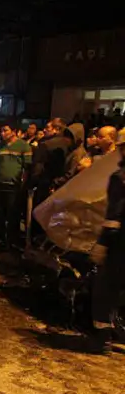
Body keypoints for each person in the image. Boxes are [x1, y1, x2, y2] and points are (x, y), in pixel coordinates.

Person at [89, 129, 125, 354]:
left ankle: (103, 339)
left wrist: (102, 243)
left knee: (105, 288)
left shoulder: (119, 178)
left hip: (119, 243)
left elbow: (114, 215)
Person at [0, 121, 32, 248]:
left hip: (13, 186)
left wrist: (23, 184)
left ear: (14, 131)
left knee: (12, 215)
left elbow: (27, 167)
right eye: (2, 130)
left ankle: (12, 241)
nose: (3, 133)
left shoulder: (23, 146)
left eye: (6, 130)